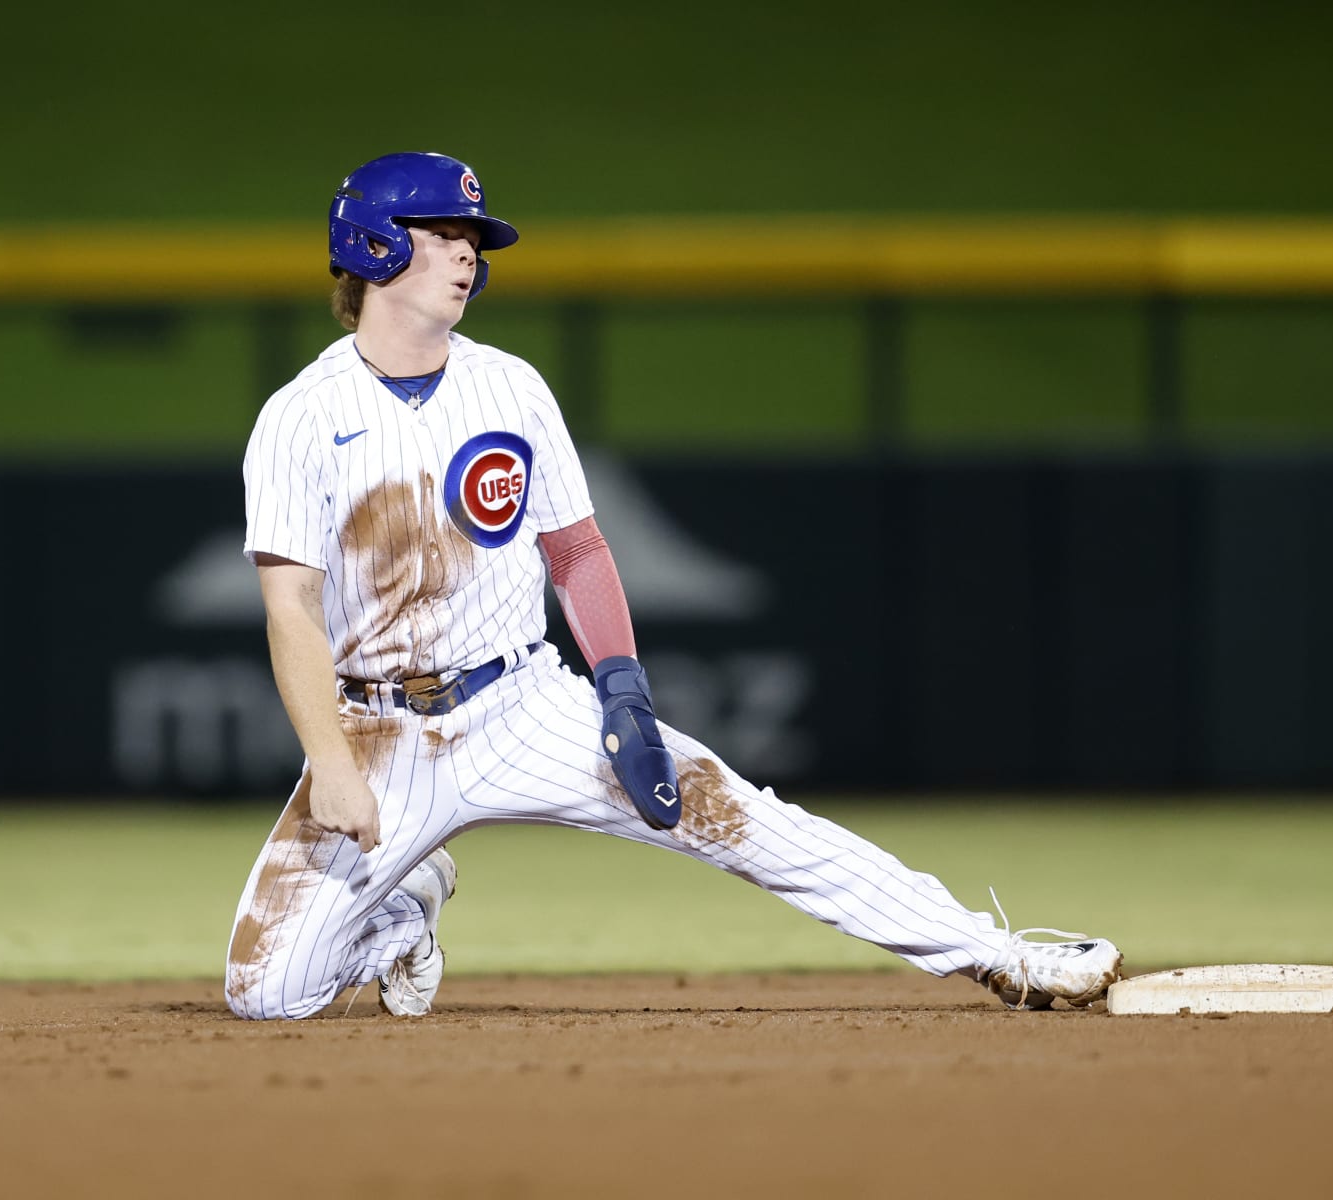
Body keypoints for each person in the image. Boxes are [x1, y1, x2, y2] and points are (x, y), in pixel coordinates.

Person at [224, 151, 1123, 1020]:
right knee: (265, 995)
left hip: (520, 705)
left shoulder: (511, 388)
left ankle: (1001, 955)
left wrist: (622, 695)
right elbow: (290, 608)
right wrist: (334, 767)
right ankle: (401, 907)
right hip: (377, 731)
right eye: (445, 229)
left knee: (749, 822)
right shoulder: (301, 418)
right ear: (376, 244)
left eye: (476, 237)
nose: (470, 251)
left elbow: (576, 553)